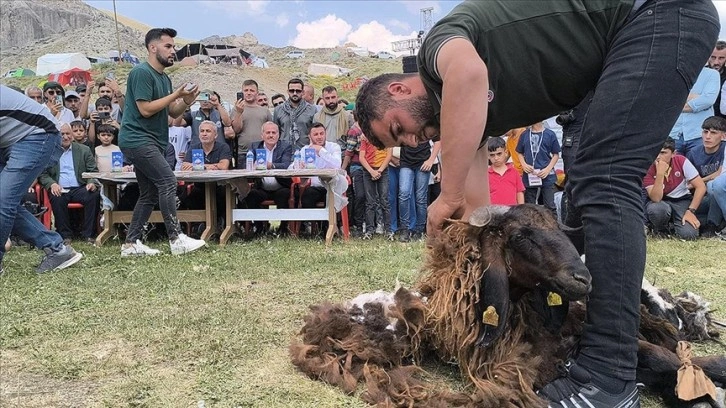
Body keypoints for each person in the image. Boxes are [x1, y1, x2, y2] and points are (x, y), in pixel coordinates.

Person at [354, 1, 719, 407]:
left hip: (658, 13)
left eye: (398, 129)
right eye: (401, 143)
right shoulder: (477, 122)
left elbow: (469, 75)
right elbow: (480, 219)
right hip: (627, 40)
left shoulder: (438, 49)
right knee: (585, 192)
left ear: (399, 90)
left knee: (605, 177)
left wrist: (449, 191)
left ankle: (607, 378)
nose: (411, 142)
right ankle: (599, 337)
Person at [118, 27, 206, 256]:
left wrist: (186, 101)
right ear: (152, 47)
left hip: (152, 141)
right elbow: (145, 109)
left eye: (173, 47)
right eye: (168, 46)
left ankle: (130, 243)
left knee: (148, 194)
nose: (172, 51)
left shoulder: (164, 78)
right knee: (167, 182)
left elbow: (173, 113)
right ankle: (176, 239)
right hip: (138, 139)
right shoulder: (141, 73)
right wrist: (176, 94)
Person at [0, 85, 83, 275]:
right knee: (5, 200)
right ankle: (57, 249)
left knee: (3, 199)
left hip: (38, 135)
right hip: (9, 139)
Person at [38, 123, 101, 245]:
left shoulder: (84, 150)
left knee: (93, 195)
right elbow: (43, 174)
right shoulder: (49, 151)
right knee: (57, 198)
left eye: (68, 134)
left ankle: (89, 235)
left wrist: (91, 182)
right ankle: (65, 235)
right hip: (60, 188)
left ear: (72, 135)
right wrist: (52, 184)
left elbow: (93, 171)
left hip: (80, 187)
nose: (65, 137)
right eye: (62, 134)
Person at [643, 138, 706, 240]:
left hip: (681, 200)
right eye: (656, 153)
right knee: (656, 209)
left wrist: (691, 211)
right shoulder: (649, 167)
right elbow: (656, 198)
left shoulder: (681, 160)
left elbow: (700, 186)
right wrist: (660, 174)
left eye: (663, 153)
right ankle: (660, 229)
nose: (658, 157)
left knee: (689, 235)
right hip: (661, 201)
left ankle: (674, 226)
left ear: (673, 153)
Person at [242, 122, 294, 235]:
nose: (271, 135)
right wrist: (253, 165)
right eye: (268, 133)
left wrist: (269, 165)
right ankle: (260, 227)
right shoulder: (255, 146)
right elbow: (246, 166)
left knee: (284, 194)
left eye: (274, 133)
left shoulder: (285, 146)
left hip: (280, 186)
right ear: (262, 135)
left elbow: (285, 165)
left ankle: (283, 227)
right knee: (251, 195)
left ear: (278, 135)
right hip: (262, 187)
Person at [686, 116, 726, 237]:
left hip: (720, 194)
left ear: (723, 136)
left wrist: (699, 181)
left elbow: (720, 173)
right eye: (705, 131)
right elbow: (686, 182)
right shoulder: (694, 153)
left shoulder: (724, 149)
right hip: (702, 198)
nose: (708, 136)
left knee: (712, 187)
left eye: (713, 133)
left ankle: (712, 224)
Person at [668, 66, 720, 156]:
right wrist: (699, 97)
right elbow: (665, 99)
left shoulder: (711, 74)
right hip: (673, 133)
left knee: (698, 169)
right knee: (671, 168)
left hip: (699, 134)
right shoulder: (672, 74)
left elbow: (708, 100)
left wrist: (678, 102)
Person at [516, 121, 560, 216]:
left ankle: (553, 228)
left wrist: (548, 169)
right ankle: (532, 228)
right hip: (530, 174)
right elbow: (519, 152)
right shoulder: (524, 134)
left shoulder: (550, 134)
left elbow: (556, 154)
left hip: (546, 174)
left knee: (550, 206)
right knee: (530, 206)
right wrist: (523, 164)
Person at [231, 79, 272, 167]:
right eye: (246, 90)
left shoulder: (265, 111)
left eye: (252, 90)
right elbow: (236, 130)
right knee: (243, 180)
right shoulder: (236, 109)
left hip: (262, 151)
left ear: (257, 93)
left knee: (261, 179)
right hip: (243, 152)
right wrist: (239, 112)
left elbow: (271, 131)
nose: (248, 93)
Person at [359, 133, 392, 240]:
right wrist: (371, 171)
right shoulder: (366, 137)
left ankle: (388, 230)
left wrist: (379, 171)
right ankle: (369, 230)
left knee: (384, 201)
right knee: (370, 202)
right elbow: (361, 157)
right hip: (368, 170)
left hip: (382, 170)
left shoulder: (386, 136)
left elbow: (389, 155)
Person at [273, 78, 317, 149]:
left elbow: (315, 132)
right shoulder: (278, 110)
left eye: (298, 91)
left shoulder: (312, 110)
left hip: (305, 150)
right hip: (284, 151)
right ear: (288, 91)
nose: (295, 93)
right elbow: (275, 132)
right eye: (292, 91)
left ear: (302, 92)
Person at [487, 136, 524, 206]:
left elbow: (519, 192)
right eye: (492, 155)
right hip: (494, 213)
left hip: (512, 212)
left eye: (499, 154)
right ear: (488, 156)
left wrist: (521, 209)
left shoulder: (514, 172)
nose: (496, 158)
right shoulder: (486, 175)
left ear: (506, 152)